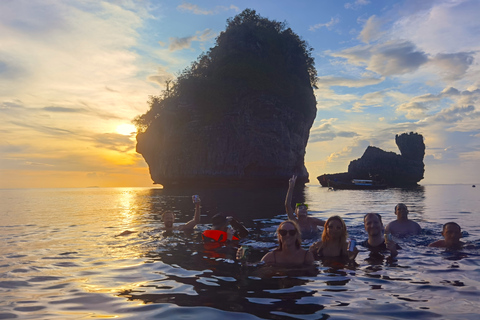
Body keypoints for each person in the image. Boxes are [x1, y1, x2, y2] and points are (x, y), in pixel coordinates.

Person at [237, 220, 314, 267]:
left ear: (297, 234)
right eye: (283, 232)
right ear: (279, 235)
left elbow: (313, 276)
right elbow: (257, 271)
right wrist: (243, 262)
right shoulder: (271, 257)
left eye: (292, 232)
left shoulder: (306, 256)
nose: (287, 235)